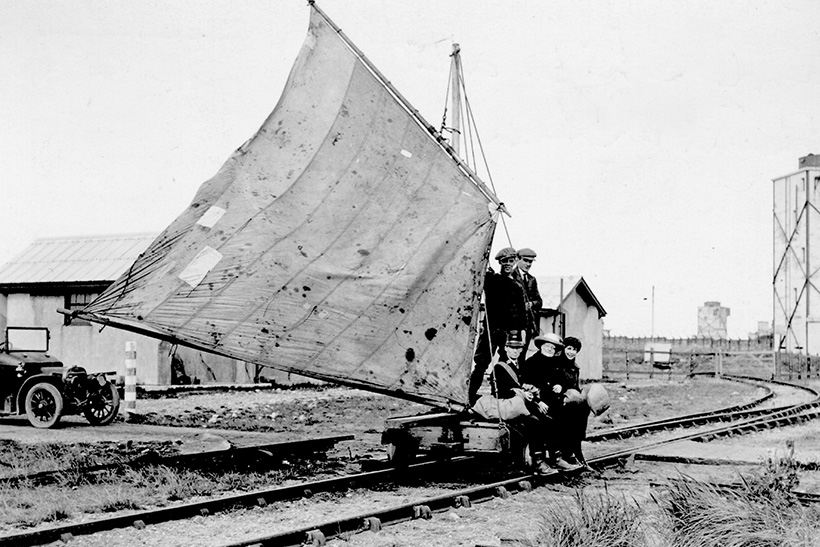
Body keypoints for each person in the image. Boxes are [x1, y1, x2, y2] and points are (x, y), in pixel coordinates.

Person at [482, 329, 554, 475]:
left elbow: (526, 385)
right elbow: (499, 392)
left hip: (522, 405)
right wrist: (518, 392)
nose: (515, 351)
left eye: (518, 348)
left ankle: (546, 457)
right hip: (508, 407)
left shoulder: (521, 365)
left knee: (547, 419)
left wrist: (536, 399)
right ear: (506, 348)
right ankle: (537, 461)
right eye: (512, 348)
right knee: (534, 422)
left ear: (521, 349)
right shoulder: (499, 367)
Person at [469, 247, 527, 406]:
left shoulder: (517, 286)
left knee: (505, 365)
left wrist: (522, 332)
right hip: (490, 330)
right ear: (499, 262)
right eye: (504, 261)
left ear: (515, 262)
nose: (507, 264)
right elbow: (480, 265)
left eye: (511, 261)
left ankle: (502, 397)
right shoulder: (491, 280)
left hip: (508, 333)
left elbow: (522, 313)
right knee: (481, 364)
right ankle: (469, 396)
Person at [521, 332, 581, 471]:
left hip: (552, 402)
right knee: (544, 422)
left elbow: (563, 380)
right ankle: (540, 459)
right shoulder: (531, 362)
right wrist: (537, 401)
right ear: (541, 346)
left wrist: (561, 386)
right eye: (548, 346)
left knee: (566, 418)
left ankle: (559, 457)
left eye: (553, 348)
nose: (550, 349)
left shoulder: (555, 363)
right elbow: (524, 386)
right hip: (534, 403)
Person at [553, 336, 590, 467]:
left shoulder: (575, 368)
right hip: (556, 399)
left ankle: (576, 448)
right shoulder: (555, 364)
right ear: (563, 349)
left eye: (574, 350)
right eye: (569, 348)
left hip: (571, 400)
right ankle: (567, 452)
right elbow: (552, 384)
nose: (571, 352)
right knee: (569, 413)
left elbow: (575, 387)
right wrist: (561, 389)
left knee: (584, 408)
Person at [514, 247, 542, 364]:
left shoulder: (532, 280)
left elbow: (539, 302)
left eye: (530, 262)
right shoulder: (510, 276)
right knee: (510, 355)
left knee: (521, 356)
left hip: (527, 325)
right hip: (513, 325)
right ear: (517, 259)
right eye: (526, 260)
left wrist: (530, 304)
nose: (528, 264)